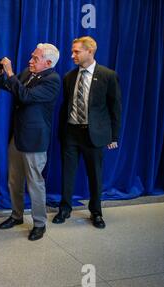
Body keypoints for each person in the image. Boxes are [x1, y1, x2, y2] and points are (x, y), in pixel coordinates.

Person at [52, 36, 121, 228]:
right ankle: (64, 209)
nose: (72, 54)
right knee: (67, 173)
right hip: (71, 133)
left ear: (89, 51)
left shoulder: (108, 76)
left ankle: (96, 213)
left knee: (95, 175)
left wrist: (113, 136)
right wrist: (62, 132)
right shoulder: (69, 76)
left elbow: (115, 108)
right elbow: (66, 106)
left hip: (95, 134)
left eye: (76, 51)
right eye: (73, 51)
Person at [0, 43, 61, 241]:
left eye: (35, 58)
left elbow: (25, 97)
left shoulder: (52, 80)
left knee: (35, 183)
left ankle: (39, 224)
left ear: (48, 63)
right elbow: (11, 86)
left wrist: (10, 73)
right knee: (14, 181)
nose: (30, 61)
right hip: (17, 136)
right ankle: (16, 216)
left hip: (34, 141)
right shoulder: (27, 72)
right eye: (32, 56)